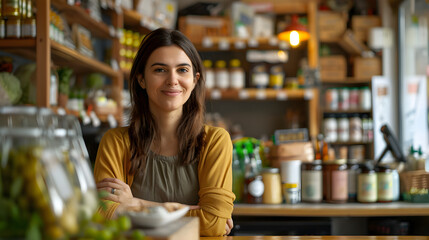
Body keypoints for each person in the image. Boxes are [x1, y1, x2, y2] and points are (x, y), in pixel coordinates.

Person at [94, 28, 235, 237]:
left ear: (195, 80)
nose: (172, 80)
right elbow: (102, 214)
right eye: (160, 70)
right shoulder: (115, 142)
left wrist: (135, 204)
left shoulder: (214, 141)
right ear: (142, 79)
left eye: (182, 70)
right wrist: (195, 214)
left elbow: (213, 222)